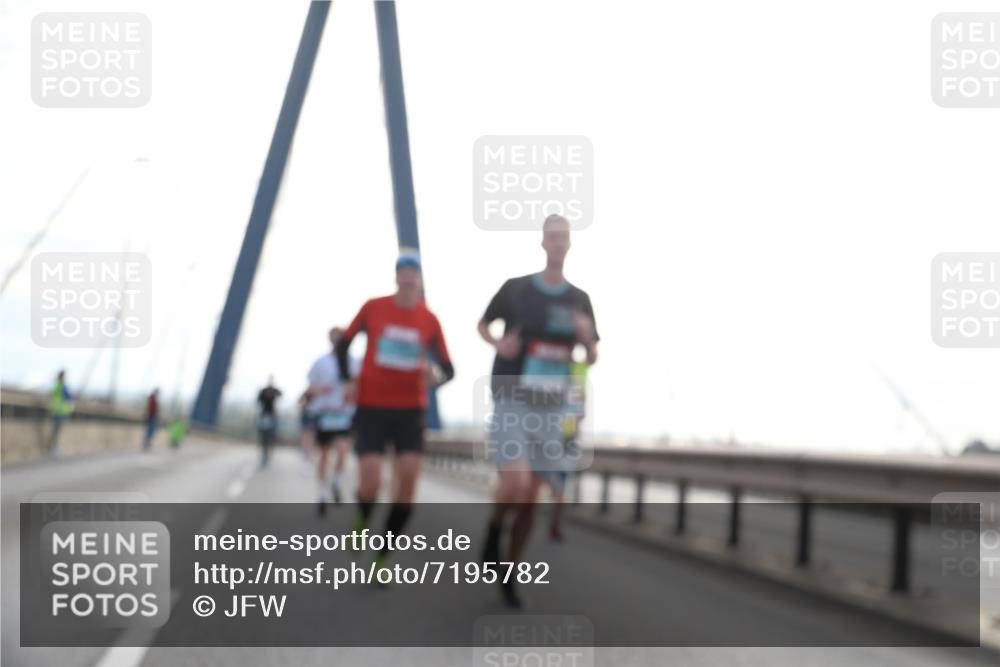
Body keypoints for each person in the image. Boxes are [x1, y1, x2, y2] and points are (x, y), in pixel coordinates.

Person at [477, 213, 599, 607]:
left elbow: (592, 355)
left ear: (570, 243)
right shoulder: (516, 290)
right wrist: (500, 344)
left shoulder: (580, 300)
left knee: (531, 498)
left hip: (552, 407)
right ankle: (495, 528)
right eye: (552, 237)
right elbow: (483, 324)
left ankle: (509, 571)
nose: (558, 243)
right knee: (513, 486)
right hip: (513, 397)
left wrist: (586, 341)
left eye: (564, 237)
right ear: (543, 242)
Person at [335, 252, 454, 571]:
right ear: (396, 277)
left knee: (407, 485)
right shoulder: (374, 307)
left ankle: (383, 557)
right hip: (372, 405)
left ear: (420, 280)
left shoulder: (429, 320)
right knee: (371, 480)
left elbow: (448, 368)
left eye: (414, 274)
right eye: (403, 273)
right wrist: (349, 380)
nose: (408, 279)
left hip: (411, 410)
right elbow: (343, 344)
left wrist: (436, 377)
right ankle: (363, 517)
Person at [305, 327, 361, 515]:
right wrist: (322, 390)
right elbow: (310, 389)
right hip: (326, 413)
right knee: (324, 454)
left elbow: (361, 385)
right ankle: (322, 494)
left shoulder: (355, 362)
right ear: (330, 340)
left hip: (345, 414)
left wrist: (352, 391)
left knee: (343, 451)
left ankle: (336, 481)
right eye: (335, 339)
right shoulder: (321, 362)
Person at [256, 377, 283, 467]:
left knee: (272, 435)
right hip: (264, 415)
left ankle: (270, 449)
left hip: (272, 416)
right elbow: (258, 400)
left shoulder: (275, 391)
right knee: (263, 434)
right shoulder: (263, 391)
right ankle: (264, 450)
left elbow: (281, 394)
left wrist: (274, 393)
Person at [48, 370, 74, 456]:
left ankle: (54, 447)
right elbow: (69, 396)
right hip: (59, 412)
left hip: (56, 411)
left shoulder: (56, 385)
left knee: (55, 431)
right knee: (56, 431)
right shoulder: (61, 386)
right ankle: (54, 448)